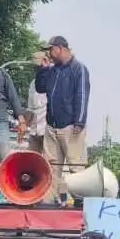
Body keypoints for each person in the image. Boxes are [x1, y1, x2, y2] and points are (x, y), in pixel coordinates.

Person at [34, 36, 90, 202]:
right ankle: (49, 204)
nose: (49, 54)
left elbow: (82, 95)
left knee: (76, 167)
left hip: (71, 126)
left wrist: (79, 122)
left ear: (59, 48)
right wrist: (43, 69)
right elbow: (40, 88)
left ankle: (80, 203)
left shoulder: (78, 68)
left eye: (50, 49)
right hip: (52, 126)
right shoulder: (52, 70)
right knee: (50, 169)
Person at [26, 50, 49, 155]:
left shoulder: (52, 81)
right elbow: (30, 108)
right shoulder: (33, 84)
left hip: (48, 131)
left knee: (49, 163)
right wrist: (24, 126)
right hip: (34, 131)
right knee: (31, 160)